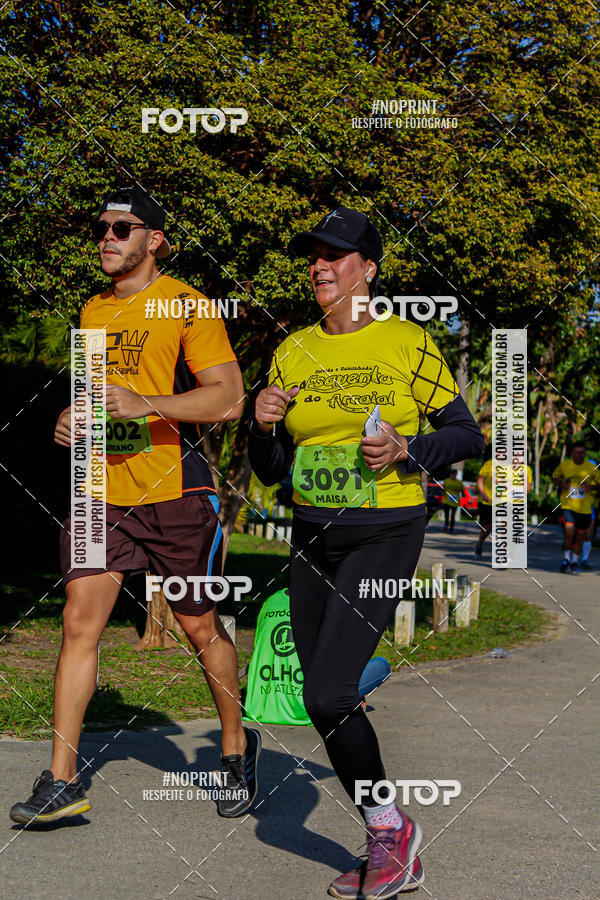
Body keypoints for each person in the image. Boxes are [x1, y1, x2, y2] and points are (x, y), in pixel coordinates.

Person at [247, 206, 483, 899]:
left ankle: (389, 833)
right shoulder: (292, 350)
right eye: (313, 255)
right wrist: (260, 425)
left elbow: (466, 434)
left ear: (368, 268)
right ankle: (388, 826)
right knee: (315, 701)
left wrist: (410, 449)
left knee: (326, 689)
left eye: (335, 255)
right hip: (312, 535)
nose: (319, 266)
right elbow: (268, 469)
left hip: (385, 530)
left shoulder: (406, 342)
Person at [10, 185, 260, 825]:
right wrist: (73, 418)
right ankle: (62, 779)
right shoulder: (92, 311)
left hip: (174, 490)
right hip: (100, 489)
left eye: (123, 228)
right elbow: (101, 399)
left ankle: (235, 745)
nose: (108, 237)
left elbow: (228, 398)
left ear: (155, 240)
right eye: (102, 227)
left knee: (196, 625)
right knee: (78, 621)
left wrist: (149, 405)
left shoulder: (187, 305)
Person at [552, 441, 599, 574]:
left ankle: (574, 561)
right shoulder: (565, 465)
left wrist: (591, 487)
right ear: (572, 453)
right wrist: (562, 484)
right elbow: (554, 478)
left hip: (584, 508)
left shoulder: (591, 467)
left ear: (585, 453)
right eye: (577, 452)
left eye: (582, 452)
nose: (579, 455)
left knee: (580, 535)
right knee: (569, 531)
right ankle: (566, 559)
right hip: (568, 505)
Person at [475, 457, 533, 556]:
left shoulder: (526, 469)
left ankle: (509, 554)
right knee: (489, 527)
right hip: (498, 502)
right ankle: (482, 545)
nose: (518, 458)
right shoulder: (502, 467)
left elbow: (527, 490)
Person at [442, 468, 463, 532]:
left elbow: (462, 490)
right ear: (450, 474)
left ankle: (451, 528)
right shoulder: (446, 481)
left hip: (455, 501)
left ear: (456, 475)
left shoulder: (459, 482)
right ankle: (446, 524)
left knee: (453, 515)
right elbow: (443, 489)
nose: (453, 476)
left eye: (454, 474)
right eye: (452, 474)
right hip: (447, 500)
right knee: (446, 514)